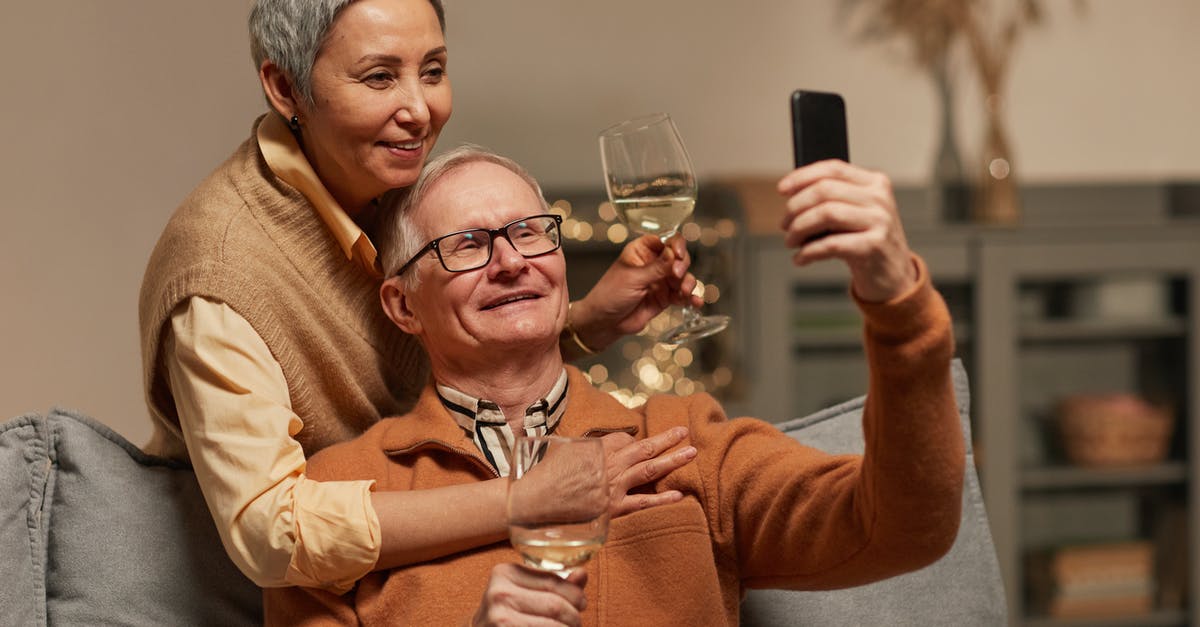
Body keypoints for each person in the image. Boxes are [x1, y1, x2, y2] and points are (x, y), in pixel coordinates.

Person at [262, 146, 967, 626]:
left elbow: (904, 528)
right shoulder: (341, 500)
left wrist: (894, 301)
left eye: (531, 233)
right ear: (402, 305)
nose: (511, 262)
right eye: (469, 245)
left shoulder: (680, 440)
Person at [137, 0, 699, 594]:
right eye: (379, 77)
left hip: (433, 550)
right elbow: (271, 533)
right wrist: (526, 499)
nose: (419, 111)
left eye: (432, 71)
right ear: (285, 87)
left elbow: (432, 353)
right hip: (282, 596)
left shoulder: (378, 177)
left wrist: (584, 324)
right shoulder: (219, 270)